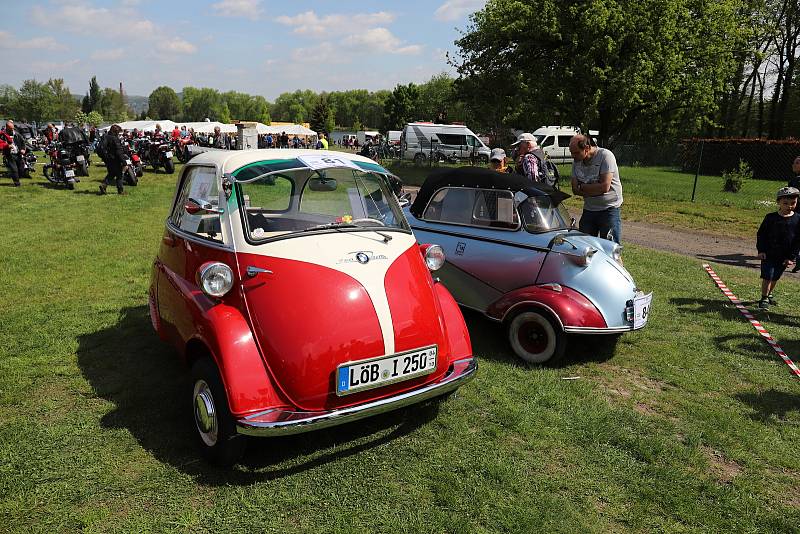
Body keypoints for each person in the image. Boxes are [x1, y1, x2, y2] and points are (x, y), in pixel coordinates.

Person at [569, 134, 623, 244]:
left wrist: (583, 187)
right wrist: (594, 189)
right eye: (571, 152)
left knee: (610, 248)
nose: (573, 156)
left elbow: (604, 187)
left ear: (587, 148)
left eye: (576, 153)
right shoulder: (576, 161)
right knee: (584, 246)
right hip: (589, 209)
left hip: (609, 209)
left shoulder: (605, 156)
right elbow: (574, 189)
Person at [756, 186, 800, 309]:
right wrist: (761, 250)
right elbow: (761, 234)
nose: (789, 206)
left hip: (784, 256)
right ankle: (764, 297)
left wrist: (791, 257)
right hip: (769, 253)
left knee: (775, 276)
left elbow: (797, 241)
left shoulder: (798, 219)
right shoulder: (770, 218)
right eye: (785, 203)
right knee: (767, 276)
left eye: (793, 203)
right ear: (778, 202)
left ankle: (769, 294)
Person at [99, 124, 128, 195]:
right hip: (115, 159)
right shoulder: (114, 139)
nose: (119, 133)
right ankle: (120, 191)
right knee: (119, 175)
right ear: (116, 131)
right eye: (118, 132)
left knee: (111, 173)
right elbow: (118, 152)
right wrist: (124, 162)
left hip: (107, 159)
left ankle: (104, 185)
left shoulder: (106, 137)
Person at [0, 120, 26, 186]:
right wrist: (7, 146)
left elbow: (23, 142)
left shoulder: (17, 134)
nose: (12, 130)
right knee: (14, 169)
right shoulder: (2, 134)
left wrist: (23, 149)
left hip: (18, 153)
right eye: (10, 129)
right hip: (9, 154)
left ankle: (18, 177)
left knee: (21, 169)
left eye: (13, 128)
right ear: (6, 127)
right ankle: (17, 183)